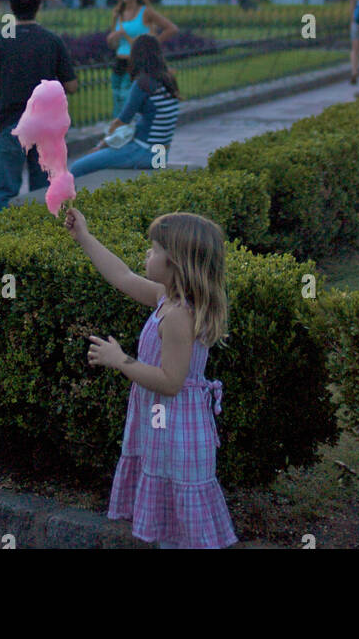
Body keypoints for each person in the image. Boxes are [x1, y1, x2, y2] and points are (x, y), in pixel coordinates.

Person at [63, 207, 237, 549]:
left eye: (155, 249)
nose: (148, 253)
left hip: (178, 431)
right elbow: (122, 276)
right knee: (172, 519)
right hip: (165, 428)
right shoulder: (166, 299)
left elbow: (171, 382)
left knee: (185, 528)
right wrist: (83, 237)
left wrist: (122, 360)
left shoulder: (177, 316)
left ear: (176, 263)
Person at [0, 0, 78, 209]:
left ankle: (3, 235)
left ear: (10, 6)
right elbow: (71, 85)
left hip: (11, 122)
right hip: (47, 127)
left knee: (5, 191)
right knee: (44, 190)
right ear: (39, 5)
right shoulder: (52, 40)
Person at [71, 35, 180, 179]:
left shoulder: (143, 83)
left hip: (143, 152)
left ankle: (68, 202)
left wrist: (101, 145)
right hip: (161, 155)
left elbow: (122, 121)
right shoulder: (168, 80)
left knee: (77, 168)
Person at [107, 0, 178, 118]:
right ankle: (119, 136)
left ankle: (130, 133)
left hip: (137, 64)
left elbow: (171, 28)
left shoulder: (145, 12)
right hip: (120, 62)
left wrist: (151, 45)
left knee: (129, 103)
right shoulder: (118, 13)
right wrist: (112, 38)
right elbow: (115, 45)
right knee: (117, 102)